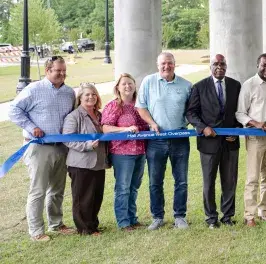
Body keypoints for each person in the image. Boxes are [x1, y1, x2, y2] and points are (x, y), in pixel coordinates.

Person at [8, 56, 76, 241]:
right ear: (47, 70)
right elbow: (13, 110)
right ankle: (36, 230)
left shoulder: (69, 92)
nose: (62, 74)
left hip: (61, 147)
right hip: (38, 147)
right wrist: (32, 127)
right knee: (38, 190)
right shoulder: (33, 89)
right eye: (58, 71)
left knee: (57, 189)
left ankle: (56, 224)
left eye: (64, 71)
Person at [137, 52, 194, 230]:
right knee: (155, 181)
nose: (166, 66)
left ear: (174, 64)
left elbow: (192, 111)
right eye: (163, 63)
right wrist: (152, 123)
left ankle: (180, 216)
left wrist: (184, 123)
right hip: (156, 140)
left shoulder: (186, 85)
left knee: (181, 180)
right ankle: (157, 217)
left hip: (180, 138)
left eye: (169, 63)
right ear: (158, 65)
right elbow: (141, 107)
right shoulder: (148, 81)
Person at [186, 54, 242, 229]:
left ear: (226, 66)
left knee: (230, 182)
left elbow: (240, 112)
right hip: (208, 144)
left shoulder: (235, 85)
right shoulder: (199, 87)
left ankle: (227, 217)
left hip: (231, 142)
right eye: (216, 64)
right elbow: (191, 113)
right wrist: (203, 127)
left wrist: (237, 130)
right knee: (209, 182)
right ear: (210, 66)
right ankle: (211, 218)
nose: (219, 67)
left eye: (222, 64)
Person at [236, 53, 266, 226]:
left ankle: (265, 212)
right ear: (258, 66)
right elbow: (240, 113)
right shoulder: (249, 85)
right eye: (264, 65)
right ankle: (249, 216)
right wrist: (256, 123)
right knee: (253, 177)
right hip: (255, 137)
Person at [102, 73, 149, 231]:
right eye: (124, 84)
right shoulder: (114, 106)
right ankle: (123, 222)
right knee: (123, 187)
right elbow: (105, 128)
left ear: (135, 86)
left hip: (140, 151)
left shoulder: (140, 104)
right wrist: (125, 129)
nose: (127, 86)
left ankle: (132, 218)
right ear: (118, 87)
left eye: (130, 83)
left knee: (134, 186)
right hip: (122, 152)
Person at [62, 83, 109, 236]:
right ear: (80, 98)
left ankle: (93, 224)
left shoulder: (100, 115)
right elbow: (67, 139)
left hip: (98, 162)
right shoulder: (74, 116)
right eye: (87, 94)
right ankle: (85, 229)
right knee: (83, 198)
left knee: (96, 196)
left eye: (94, 94)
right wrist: (86, 145)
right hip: (81, 163)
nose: (91, 97)